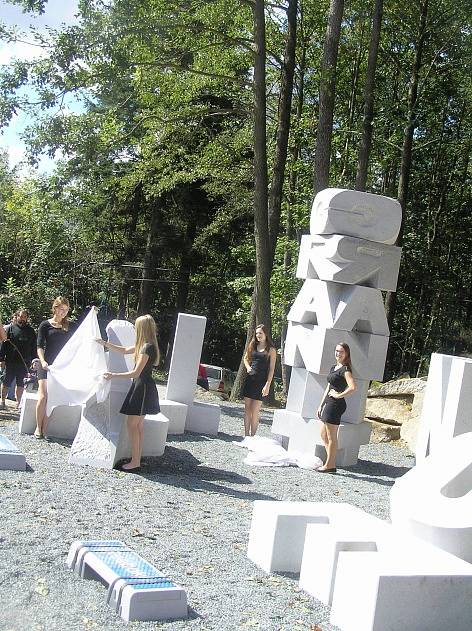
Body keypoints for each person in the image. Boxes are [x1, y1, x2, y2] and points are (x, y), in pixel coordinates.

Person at [98, 314, 160, 472]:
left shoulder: (147, 347)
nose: (134, 328)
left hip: (143, 387)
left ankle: (135, 461)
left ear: (142, 328)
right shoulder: (145, 345)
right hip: (142, 386)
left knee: (133, 425)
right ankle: (136, 460)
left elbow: (135, 373)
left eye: (136, 325)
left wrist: (113, 375)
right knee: (136, 426)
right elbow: (124, 350)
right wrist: (104, 343)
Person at [35, 297, 75, 439]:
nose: (64, 312)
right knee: (43, 396)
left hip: (61, 368)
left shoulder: (70, 326)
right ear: (55, 308)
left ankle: (45, 429)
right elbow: (39, 346)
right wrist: (43, 361)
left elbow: (83, 334)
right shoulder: (45, 325)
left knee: (52, 398)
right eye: (61, 309)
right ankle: (38, 428)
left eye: (66, 310)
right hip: (46, 364)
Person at [316, 343, 356, 473]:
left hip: (335, 405)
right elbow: (328, 387)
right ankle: (331, 462)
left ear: (346, 354)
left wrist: (339, 395)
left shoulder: (345, 369)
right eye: (337, 351)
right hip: (328, 403)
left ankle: (329, 465)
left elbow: (352, 387)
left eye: (342, 351)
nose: (338, 353)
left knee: (331, 436)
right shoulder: (334, 367)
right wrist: (320, 405)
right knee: (323, 434)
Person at [242, 324, 277, 437]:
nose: (258, 335)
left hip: (261, 382)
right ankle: (246, 435)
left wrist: (267, 385)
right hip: (250, 380)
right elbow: (246, 358)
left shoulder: (271, 350)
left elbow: (271, 369)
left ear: (265, 334)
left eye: (260, 333)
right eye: (257, 333)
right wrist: (248, 367)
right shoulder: (252, 344)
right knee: (247, 408)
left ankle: (253, 436)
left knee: (255, 410)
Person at [0, 309, 37, 409]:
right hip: (10, 361)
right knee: (6, 382)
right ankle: (2, 401)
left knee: (21, 383)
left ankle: (18, 403)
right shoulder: (10, 329)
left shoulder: (31, 331)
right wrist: (1, 359)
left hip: (24, 362)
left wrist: (35, 360)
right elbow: (4, 345)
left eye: (25, 317)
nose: (23, 318)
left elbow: (34, 347)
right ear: (16, 317)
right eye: (21, 316)